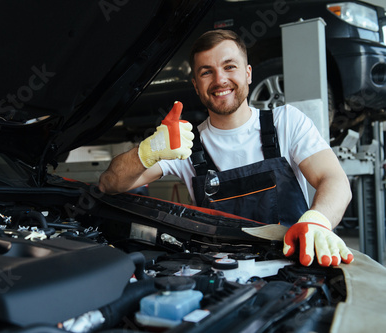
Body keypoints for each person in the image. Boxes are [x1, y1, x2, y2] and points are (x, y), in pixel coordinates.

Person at [98, 29, 354, 267]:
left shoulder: (285, 122)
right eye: (206, 72)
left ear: (248, 73)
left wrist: (318, 221)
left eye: (229, 67)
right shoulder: (184, 143)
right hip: (219, 274)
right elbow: (110, 183)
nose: (220, 80)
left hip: (292, 267)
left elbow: (333, 180)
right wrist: (147, 150)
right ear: (196, 85)